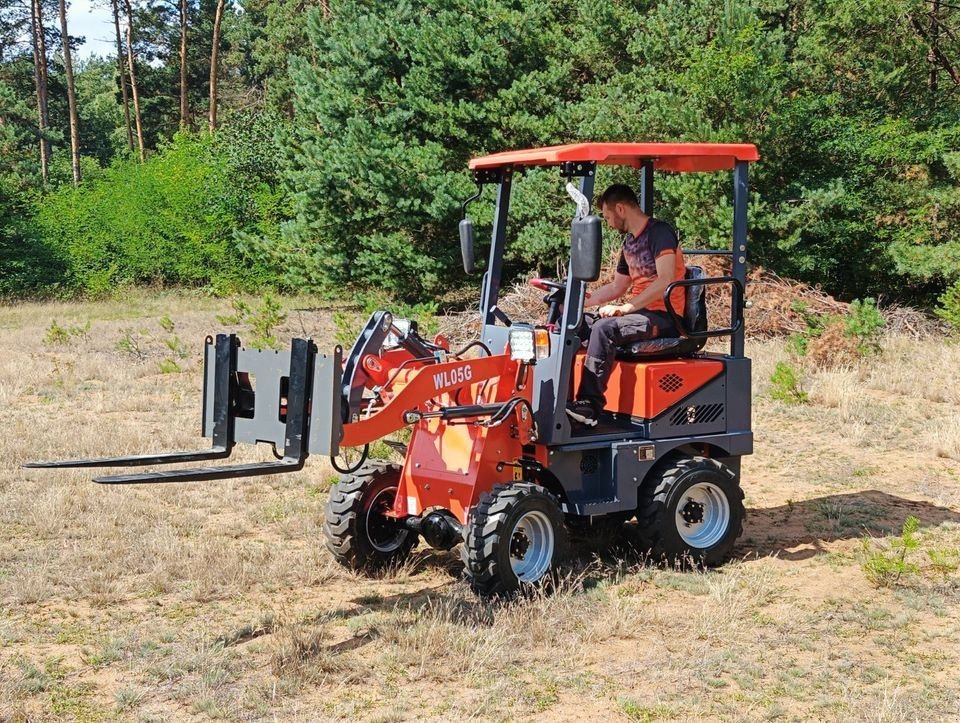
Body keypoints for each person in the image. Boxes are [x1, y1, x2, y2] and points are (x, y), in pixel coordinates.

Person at [565, 184, 686, 427]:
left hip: (664, 317)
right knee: (575, 324)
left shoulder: (660, 233)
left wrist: (627, 307)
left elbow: (665, 281)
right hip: (640, 314)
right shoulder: (630, 243)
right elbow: (616, 288)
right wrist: (577, 302)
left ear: (620, 209)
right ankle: (562, 401)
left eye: (608, 216)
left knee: (604, 329)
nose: (608, 223)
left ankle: (589, 406)